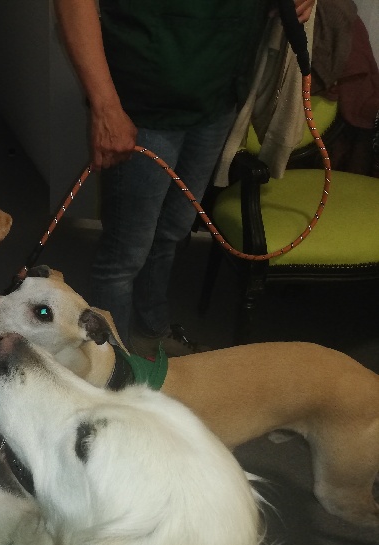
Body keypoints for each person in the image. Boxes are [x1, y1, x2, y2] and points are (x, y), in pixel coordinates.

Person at [55, 0, 315, 356]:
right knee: (125, 255)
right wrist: (105, 107)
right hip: (146, 99)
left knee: (171, 233)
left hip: (219, 94)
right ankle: (114, 371)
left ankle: (151, 333)